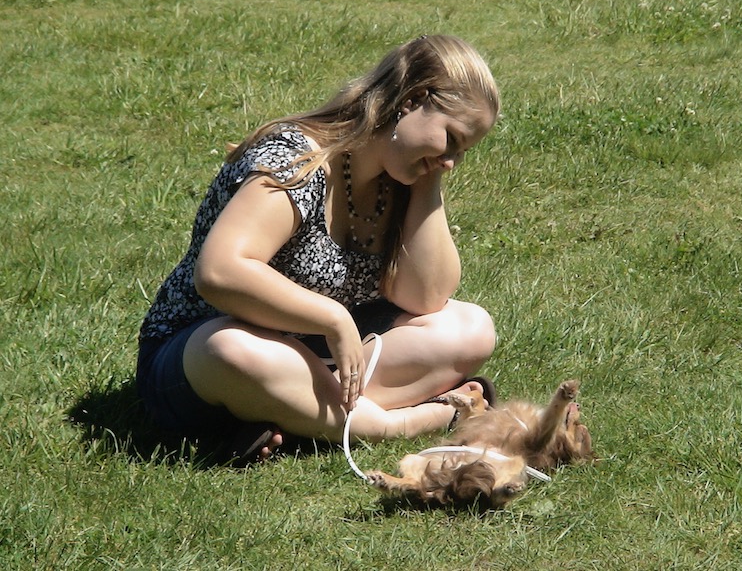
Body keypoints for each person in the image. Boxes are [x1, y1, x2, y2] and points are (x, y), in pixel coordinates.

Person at [137, 34, 500, 464]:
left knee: (471, 328)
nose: (451, 161)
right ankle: (405, 422)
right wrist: (333, 317)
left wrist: (429, 180)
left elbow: (424, 297)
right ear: (413, 98)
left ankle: (287, 418)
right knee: (232, 349)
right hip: (202, 355)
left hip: (314, 356)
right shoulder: (297, 159)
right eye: (451, 139)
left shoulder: (398, 177)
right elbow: (220, 272)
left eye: (462, 151)